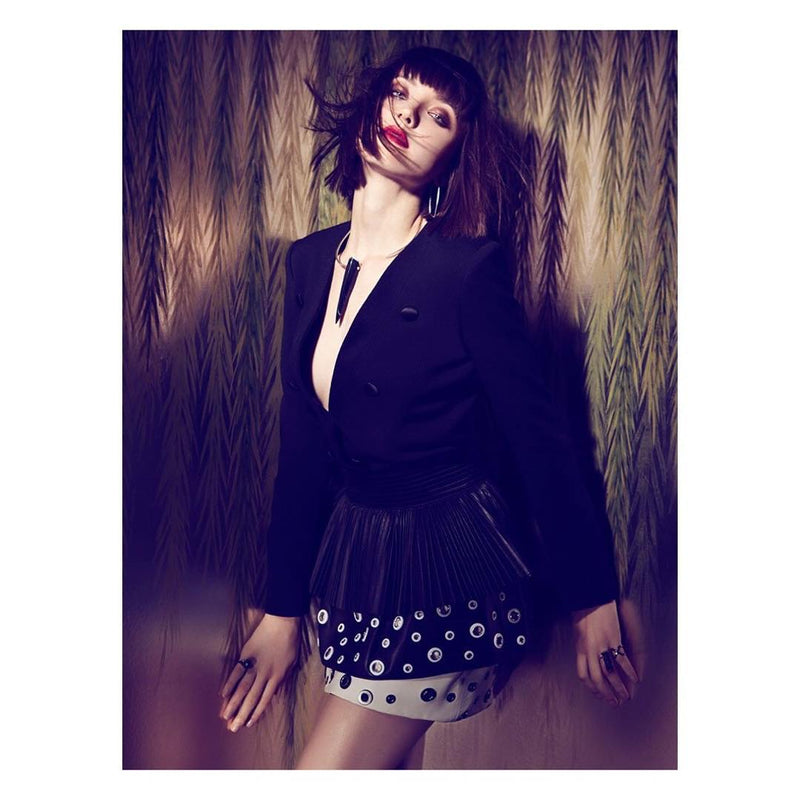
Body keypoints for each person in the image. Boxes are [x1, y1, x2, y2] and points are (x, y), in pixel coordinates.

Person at [218, 46, 642, 769]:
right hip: (354, 570)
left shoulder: (467, 270)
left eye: (438, 115)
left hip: (449, 573)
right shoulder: (309, 260)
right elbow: (304, 447)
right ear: (372, 105)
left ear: (455, 153)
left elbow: (540, 442)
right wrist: (281, 610)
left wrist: (591, 599)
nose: (409, 116)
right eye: (400, 94)